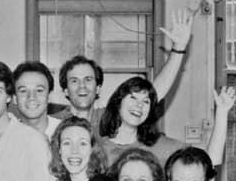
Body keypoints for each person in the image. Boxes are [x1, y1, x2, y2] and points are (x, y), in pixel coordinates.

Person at [54, 10, 194, 132]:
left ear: (98, 88)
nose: (82, 86)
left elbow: (153, 93)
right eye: (74, 81)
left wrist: (179, 48)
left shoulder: (108, 119)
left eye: (88, 79)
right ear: (65, 90)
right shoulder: (53, 124)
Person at [98, 78, 234, 169]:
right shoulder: (96, 147)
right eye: (133, 97)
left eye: (146, 101)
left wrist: (222, 112)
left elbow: (211, 161)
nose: (139, 105)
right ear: (118, 102)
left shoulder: (162, 147)